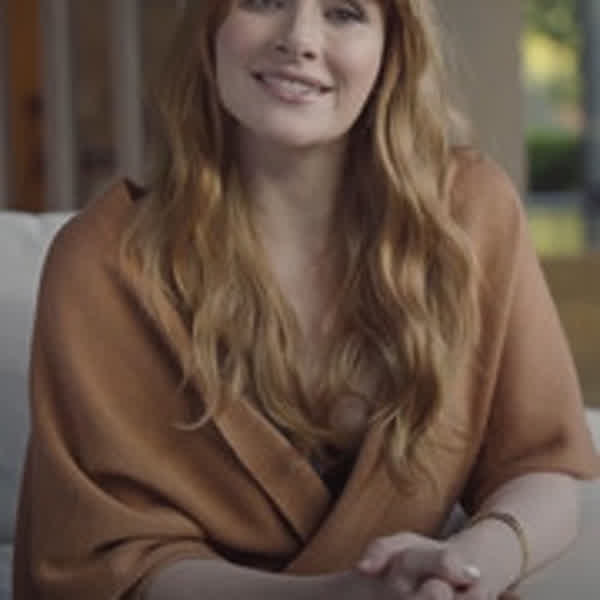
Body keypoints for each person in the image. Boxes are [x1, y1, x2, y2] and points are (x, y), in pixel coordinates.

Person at [13, 1, 600, 599]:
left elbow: (540, 464)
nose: (300, 39)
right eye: (265, 0)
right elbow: (110, 563)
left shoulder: (472, 217)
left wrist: (471, 565)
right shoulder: (103, 262)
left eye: (344, 12)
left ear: (391, 48)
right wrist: (336, 595)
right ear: (211, 24)